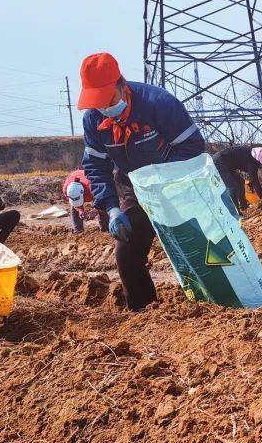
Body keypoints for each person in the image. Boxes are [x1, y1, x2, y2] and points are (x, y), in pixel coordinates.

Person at [78, 52, 206, 311]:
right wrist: (112, 209)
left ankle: (218, 307)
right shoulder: (93, 119)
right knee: (127, 253)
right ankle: (144, 313)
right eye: (97, 102)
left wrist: (163, 180)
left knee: (196, 249)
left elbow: (192, 146)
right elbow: (96, 166)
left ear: (120, 84)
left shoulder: (158, 104)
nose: (104, 107)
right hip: (133, 188)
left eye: (107, 99)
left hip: (177, 184)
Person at [212, 145, 262, 213]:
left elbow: (253, 177)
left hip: (226, 164)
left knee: (240, 182)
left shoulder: (255, 155)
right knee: (232, 187)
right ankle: (234, 213)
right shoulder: (252, 160)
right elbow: (254, 180)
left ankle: (243, 205)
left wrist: (252, 183)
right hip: (219, 162)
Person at [62, 169, 109, 233]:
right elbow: (75, 203)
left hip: (91, 183)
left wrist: (95, 209)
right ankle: (78, 231)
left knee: (102, 207)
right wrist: (80, 210)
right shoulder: (66, 190)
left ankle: (105, 228)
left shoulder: (91, 185)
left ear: (83, 193)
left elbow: (101, 198)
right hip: (76, 176)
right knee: (74, 208)